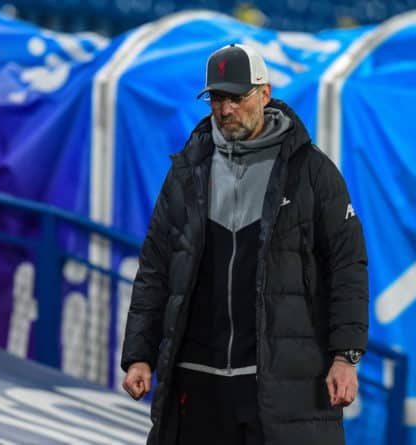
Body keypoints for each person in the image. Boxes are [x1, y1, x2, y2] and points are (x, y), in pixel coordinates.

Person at [121, 43, 368, 445]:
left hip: (281, 385)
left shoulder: (312, 172)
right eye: (217, 98)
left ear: (265, 93)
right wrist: (139, 354)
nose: (226, 109)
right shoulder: (187, 171)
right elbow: (155, 268)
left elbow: (348, 268)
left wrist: (346, 355)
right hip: (197, 380)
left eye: (237, 97)